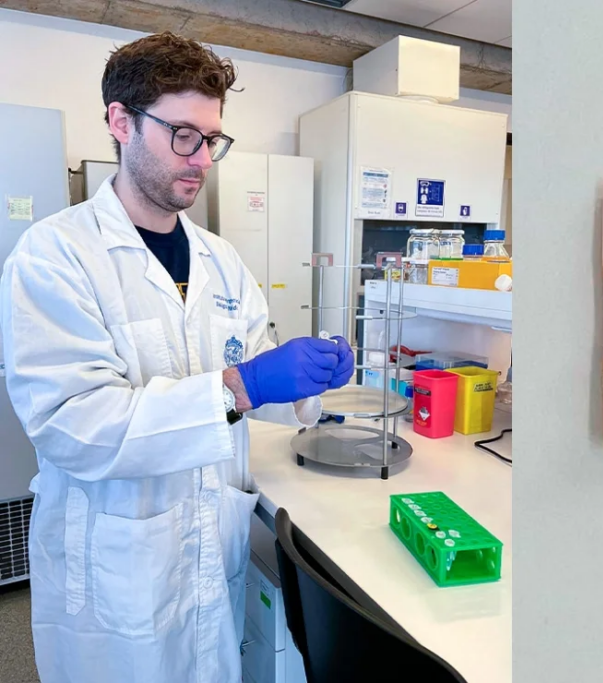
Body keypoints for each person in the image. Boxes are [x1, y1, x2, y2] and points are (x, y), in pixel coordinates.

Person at [0, 32, 353, 683]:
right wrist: (237, 387)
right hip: (111, 572)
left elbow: (252, 384)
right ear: (120, 121)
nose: (202, 159)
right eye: (183, 134)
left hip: (206, 555)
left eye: (212, 138)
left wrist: (304, 381)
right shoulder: (55, 257)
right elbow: (75, 425)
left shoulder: (221, 260)